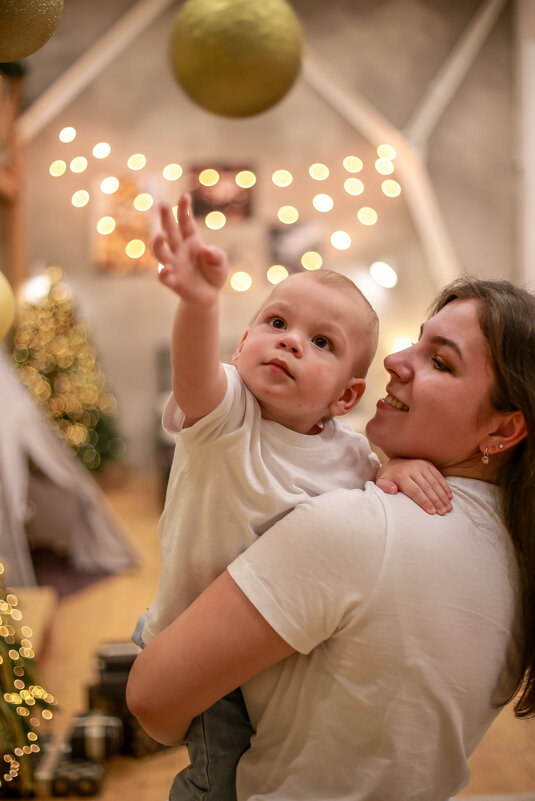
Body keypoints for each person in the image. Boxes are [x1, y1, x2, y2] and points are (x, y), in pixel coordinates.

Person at [127, 276, 535, 801]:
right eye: (416, 340)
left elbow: (152, 700)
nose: (396, 361)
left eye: (441, 362)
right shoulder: (511, 546)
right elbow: (195, 376)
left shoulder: (360, 525)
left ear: (503, 431)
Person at [133, 194, 452, 801]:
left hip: (271, 642)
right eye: (276, 324)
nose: (291, 342)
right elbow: (193, 372)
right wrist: (199, 303)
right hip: (189, 638)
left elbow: (374, 488)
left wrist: (402, 465)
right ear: (241, 345)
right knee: (216, 778)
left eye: (322, 343)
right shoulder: (226, 416)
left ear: (345, 397)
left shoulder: (351, 453)